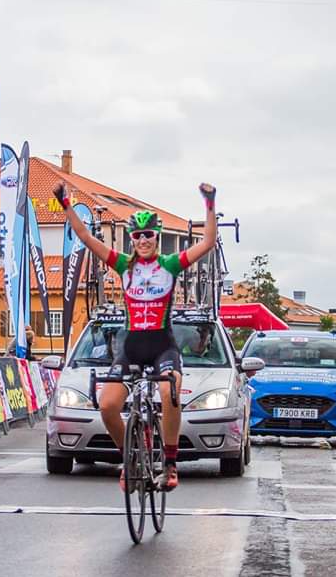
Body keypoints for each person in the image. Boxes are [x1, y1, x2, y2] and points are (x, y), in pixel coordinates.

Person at [56, 180, 219, 492]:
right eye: (138, 236)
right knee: (106, 406)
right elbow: (85, 237)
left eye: (149, 235)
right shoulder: (123, 264)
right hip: (131, 346)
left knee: (171, 392)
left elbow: (208, 241)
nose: (143, 240)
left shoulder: (170, 264)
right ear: (132, 239)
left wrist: (209, 203)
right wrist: (66, 205)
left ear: (156, 238)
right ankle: (129, 457)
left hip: (161, 345)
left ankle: (169, 462)